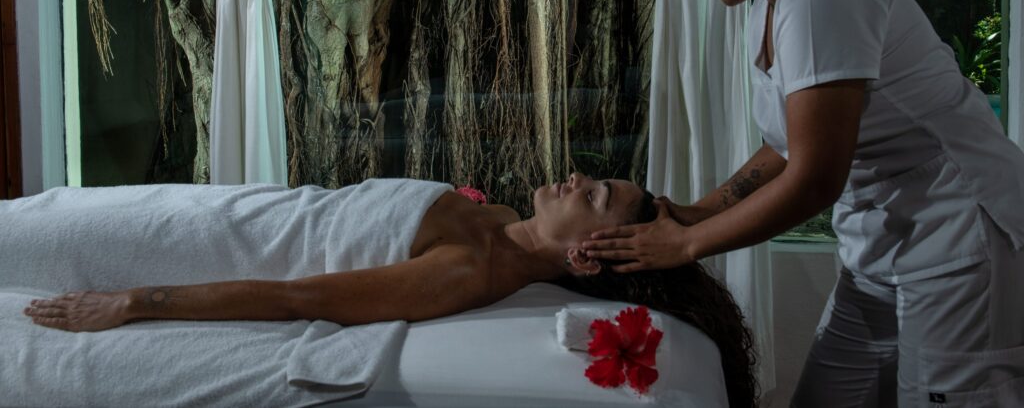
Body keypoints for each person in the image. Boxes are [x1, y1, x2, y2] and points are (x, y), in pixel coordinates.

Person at [583, 0, 1024, 406]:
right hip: (881, 242)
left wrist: (687, 246)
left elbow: (816, 177)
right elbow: (788, 145)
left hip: (955, 236)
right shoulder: (765, 6)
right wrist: (698, 211)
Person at [20, 172, 757, 407]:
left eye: (593, 196)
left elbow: (295, 299)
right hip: (224, 212)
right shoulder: (499, 221)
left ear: (586, 257)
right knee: (37, 215)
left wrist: (133, 302)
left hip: (202, 247)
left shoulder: (466, 271)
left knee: (28, 238)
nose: (577, 177)